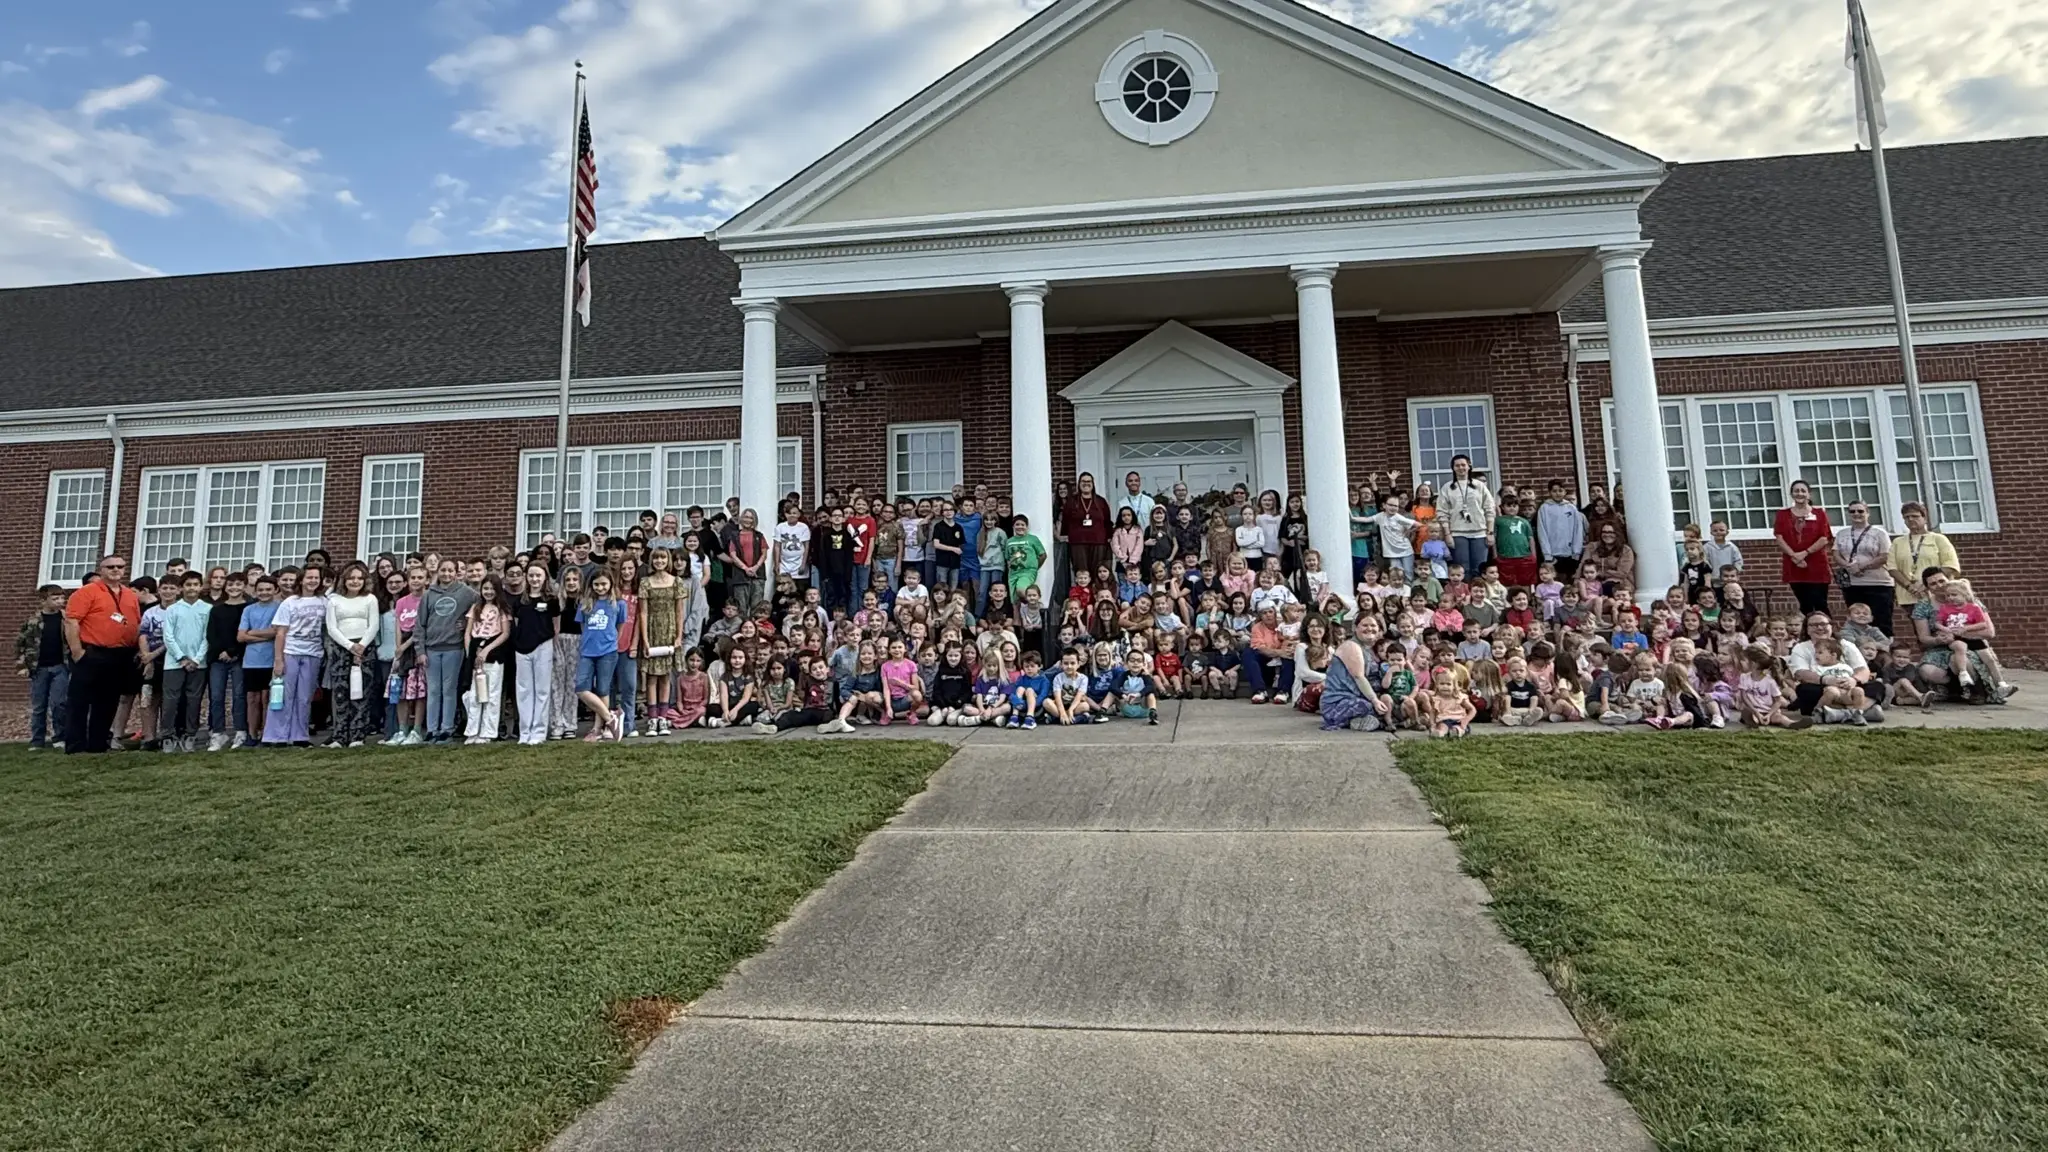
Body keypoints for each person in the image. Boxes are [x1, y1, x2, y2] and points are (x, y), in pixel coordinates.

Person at [264, 565, 329, 747]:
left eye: (316, 578)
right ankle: (277, 736)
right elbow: (280, 632)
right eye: (309, 577)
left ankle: (300, 735)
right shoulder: (290, 602)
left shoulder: (324, 602)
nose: (313, 581)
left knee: (304, 697)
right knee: (283, 695)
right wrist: (278, 660)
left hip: (313, 653)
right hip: (290, 652)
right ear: (301, 580)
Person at [18, 584, 71, 750]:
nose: (60, 601)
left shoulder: (66, 619)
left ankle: (59, 737)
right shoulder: (33, 621)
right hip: (39, 668)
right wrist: (22, 666)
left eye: (61, 598)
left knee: (59, 703)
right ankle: (37, 740)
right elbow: (21, 644)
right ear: (43, 600)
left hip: (60, 666)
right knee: (39, 706)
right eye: (55, 599)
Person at [1832, 501, 1894, 635]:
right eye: (1852, 511)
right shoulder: (1842, 533)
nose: (1856, 514)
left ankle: (1884, 646)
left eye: (1860, 511)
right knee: (1856, 621)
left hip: (1878, 583)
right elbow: (1836, 554)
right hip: (1852, 584)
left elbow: (1885, 556)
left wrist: (1861, 567)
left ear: (1867, 513)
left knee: (1880, 620)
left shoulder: (1880, 533)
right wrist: (1848, 566)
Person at [1773, 480, 1834, 616]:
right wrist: (1794, 556)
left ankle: (1826, 628)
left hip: (1816, 565)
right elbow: (1779, 537)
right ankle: (1808, 628)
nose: (1799, 493)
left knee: (1820, 604)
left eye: (1803, 491)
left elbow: (1824, 538)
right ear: (1791, 494)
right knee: (1805, 605)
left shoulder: (1819, 513)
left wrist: (1804, 553)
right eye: (1796, 491)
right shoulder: (1782, 514)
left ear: (1809, 494)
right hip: (1794, 565)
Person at [1886, 502, 1960, 609]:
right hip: (1909, 596)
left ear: (1924, 518)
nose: (1910, 519)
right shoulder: (1898, 542)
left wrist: (1926, 583)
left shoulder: (1938, 539)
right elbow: (1892, 568)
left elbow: (1950, 565)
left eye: (1915, 516)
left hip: (1937, 595)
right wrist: (1910, 586)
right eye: (1906, 517)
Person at [1439, 455, 1496, 577]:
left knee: (1479, 569)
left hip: (1479, 533)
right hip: (1457, 533)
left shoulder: (1479, 486)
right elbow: (1442, 512)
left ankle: (1478, 589)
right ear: (1453, 468)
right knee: (1462, 569)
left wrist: (1490, 532)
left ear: (1469, 466)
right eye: (1457, 465)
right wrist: (1447, 534)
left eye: (1463, 465)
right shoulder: (1447, 488)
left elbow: (1489, 509)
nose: (1461, 468)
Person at [1536, 480, 1587, 581]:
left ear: (1565, 492)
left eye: (1560, 490)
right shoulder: (1544, 508)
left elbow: (1577, 530)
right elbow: (1542, 532)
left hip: (1570, 554)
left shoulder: (1571, 508)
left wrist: (1576, 551)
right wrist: (1547, 554)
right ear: (1549, 492)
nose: (1557, 493)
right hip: (1553, 554)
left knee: (1570, 581)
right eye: (1554, 491)